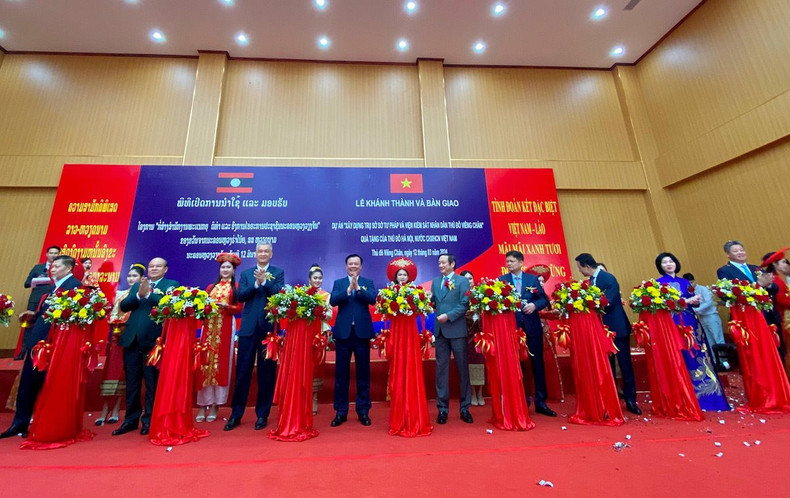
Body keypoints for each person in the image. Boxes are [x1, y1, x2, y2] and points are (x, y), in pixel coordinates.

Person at [0, 255, 81, 439]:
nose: (51, 269)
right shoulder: (53, 288)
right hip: (37, 343)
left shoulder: (75, 287)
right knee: (27, 384)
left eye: (56, 266)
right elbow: (48, 314)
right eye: (51, 266)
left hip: (54, 346)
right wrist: (34, 315)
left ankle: (43, 424)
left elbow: (69, 318)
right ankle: (19, 423)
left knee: (45, 385)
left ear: (68, 269)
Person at [113, 257, 179, 436]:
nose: (154, 268)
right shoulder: (138, 284)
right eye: (151, 266)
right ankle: (130, 420)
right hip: (132, 340)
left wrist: (148, 295)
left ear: (165, 269)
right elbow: (125, 306)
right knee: (132, 384)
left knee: (152, 384)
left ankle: (149, 420)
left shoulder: (171, 285)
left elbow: (167, 305)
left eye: (158, 266)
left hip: (153, 343)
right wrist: (138, 294)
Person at [656, 253, 730, 411]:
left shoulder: (684, 281)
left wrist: (695, 300)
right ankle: (686, 396)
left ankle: (709, 397)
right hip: (674, 323)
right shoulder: (658, 284)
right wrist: (686, 301)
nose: (669, 264)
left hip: (691, 321)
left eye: (671, 261)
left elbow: (692, 302)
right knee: (681, 356)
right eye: (664, 262)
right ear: (660, 266)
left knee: (699, 353)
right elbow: (663, 305)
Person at [225, 243, 285, 431]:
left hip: (268, 329)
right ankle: (236, 414)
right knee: (243, 372)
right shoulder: (245, 274)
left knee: (266, 373)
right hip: (248, 329)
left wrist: (266, 283)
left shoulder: (278, 272)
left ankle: (262, 414)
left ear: (271, 254)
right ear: (255, 254)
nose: (263, 254)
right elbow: (241, 296)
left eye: (266, 251)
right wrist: (256, 283)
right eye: (260, 251)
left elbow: (279, 293)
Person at [575, 253, 641, 415]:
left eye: (579, 267)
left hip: (616, 329)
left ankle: (631, 400)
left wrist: (588, 303)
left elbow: (607, 302)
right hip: (600, 330)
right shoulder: (589, 282)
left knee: (625, 365)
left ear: (587, 266)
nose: (579, 271)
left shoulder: (608, 278)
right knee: (607, 367)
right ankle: (611, 399)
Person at [498, 251, 556, 417]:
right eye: (507, 261)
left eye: (512, 261)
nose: (509, 264)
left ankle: (540, 402)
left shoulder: (532, 279)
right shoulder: (502, 281)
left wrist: (533, 306)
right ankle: (521, 401)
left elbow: (543, 300)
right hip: (513, 329)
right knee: (517, 366)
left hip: (532, 327)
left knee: (537, 364)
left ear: (521, 262)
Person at [383, 258, 432, 437]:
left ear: (409, 277)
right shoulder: (389, 293)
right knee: (398, 368)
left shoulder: (416, 292)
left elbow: (423, 311)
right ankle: (399, 417)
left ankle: (414, 416)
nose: (402, 277)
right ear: (395, 278)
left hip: (410, 334)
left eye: (404, 274)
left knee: (412, 369)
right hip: (397, 334)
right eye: (399, 275)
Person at [329, 254, 377, 427]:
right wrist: (348, 290)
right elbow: (333, 301)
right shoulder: (339, 283)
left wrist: (359, 289)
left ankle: (363, 410)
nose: (353, 266)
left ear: (361, 266)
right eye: (350, 264)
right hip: (343, 334)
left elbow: (372, 299)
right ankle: (340, 411)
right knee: (341, 375)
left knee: (363, 374)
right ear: (346, 266)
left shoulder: (368, 282)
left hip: (362, 334)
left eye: (356, 264)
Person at [195, 253, 243, 423]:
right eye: (223, 267)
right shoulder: (210, 287)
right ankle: (203, 405)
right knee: (205, 363)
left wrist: (227, 306)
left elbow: (239, 308)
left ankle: (216, 405)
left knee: (222, 362)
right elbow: (202, 306)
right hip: (208, 327)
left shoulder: (236, 287)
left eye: (228, 267)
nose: (225, 270)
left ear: (233, 270)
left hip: (225, 326)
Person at [98, 263, 145, 426]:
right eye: (130, 276)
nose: (131, 279)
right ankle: (105, 409)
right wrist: (114, 322)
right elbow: (114, 314)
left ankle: (117, 409)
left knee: (125, 374)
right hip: (117, 338)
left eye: (135, 276)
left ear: (141, 279)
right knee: (111, 372)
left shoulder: (143, 295)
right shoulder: (120, 294)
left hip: (134, 338)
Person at [430, 253, 473, 424]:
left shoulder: (462, 281)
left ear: (452, 264)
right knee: (441, 372)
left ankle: (465, 408)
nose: (440, 265)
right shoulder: (434, 282)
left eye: (443, 262)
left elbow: (464, 304)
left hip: (456, 330)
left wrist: (449, 316)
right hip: (440, 332)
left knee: (462, 370)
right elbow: (436, 302)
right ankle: (442, 409)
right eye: (439, 262)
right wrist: (427, 301)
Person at [15, 246, 61, 359]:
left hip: (51, 300)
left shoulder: (61, 269)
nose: (53, 255)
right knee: (29, 325)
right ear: (47, 254)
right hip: (35, 300)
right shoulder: (38, 268)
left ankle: (43, 352)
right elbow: (26, 283)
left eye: (56, 253)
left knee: (47, 325)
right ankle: (24, 351)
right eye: (51, 253)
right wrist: (37, 279)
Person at [683, 272, 730, 370]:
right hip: (701, 318)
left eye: (692, 282)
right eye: (688, 283)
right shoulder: (688, 292)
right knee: (709, 340)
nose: (691, 285)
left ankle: (725, 362)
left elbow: (709, 302)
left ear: (695, 281)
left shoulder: (702, 289)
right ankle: (715, 362)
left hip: (711, 316)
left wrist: (696, 310)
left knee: (718, 338)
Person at [307, 265, 333, 415]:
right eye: (315, 278)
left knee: (317, 366)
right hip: (306, 334)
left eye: (320, 278)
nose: (317, 280)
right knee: (306, 364)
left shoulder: (326, 295)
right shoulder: (303, 294)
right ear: (309, 279)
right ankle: (303, 398)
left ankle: (314, 399)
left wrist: (322, 312)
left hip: (320, 333)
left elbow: (329, 315)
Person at [460, 270, 485, 406]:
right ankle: (472, 393)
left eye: (470, 278)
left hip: (480, 335)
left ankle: (480, 392)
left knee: (480, 363)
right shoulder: (459, 296)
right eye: (465, 279)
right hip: (465, 335)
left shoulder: (481, 295)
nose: (468, 281)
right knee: (467, 364)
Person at [762, 249, 790, 368]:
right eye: (783, 262)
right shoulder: (775, 280)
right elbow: (782, 301)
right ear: (774, 264)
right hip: (780, 318)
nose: (787, 264)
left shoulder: (779, 278)